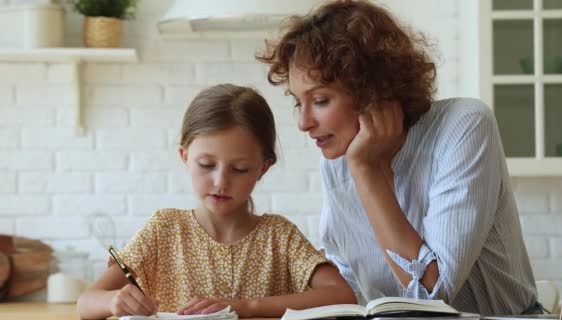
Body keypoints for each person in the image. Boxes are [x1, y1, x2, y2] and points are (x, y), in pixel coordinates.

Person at [257, 0, 540, 316]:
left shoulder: (464, 126)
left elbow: (432, 297)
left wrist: (366, 170)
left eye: (320, 100)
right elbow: (349, 285)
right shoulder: (337, 162)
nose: (303, 123)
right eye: (299, 103)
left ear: (373, 90)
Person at [76, 84, 357, 319]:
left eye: (240, 169)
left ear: (263, 168)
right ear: (185, 157)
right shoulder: (164, 229)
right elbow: (86, 303)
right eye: (206, 164)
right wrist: (115, 301)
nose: (221, 182)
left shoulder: (279, 236)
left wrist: (244, 308)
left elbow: (342, 296)